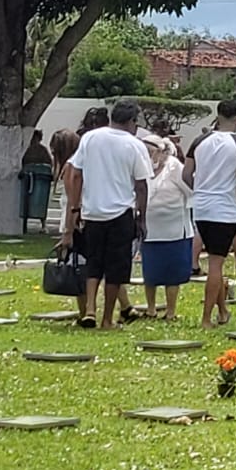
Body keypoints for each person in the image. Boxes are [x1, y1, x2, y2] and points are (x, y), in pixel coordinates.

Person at [61, 99, 152, 330]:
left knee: (94, 264)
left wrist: (76, 206)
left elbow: (76, 174)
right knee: (115, 270)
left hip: (92, 212)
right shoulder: (134, 144)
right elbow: (141, 185)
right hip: (120, 212)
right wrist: (142, 216)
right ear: (132, 121)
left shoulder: (91, 138)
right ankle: (107, 319)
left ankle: (90, 309)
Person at [184, 99, 236, 329]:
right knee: (216, 265)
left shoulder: (199, 141)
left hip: (201, 207)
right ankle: (206, 319)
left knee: (216, 261)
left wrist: (200, 190)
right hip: (223, 209)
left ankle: (223, 311)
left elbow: (187, 174)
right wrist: (235, 194)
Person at [140, 135, 193, 320]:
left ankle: (171, 311)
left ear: (162, 152)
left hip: (175, 230)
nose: (148, 156)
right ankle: (151, 309)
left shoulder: (175, 167)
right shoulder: (142, 168)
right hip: (150, 230)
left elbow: (190, 191)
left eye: (151, 152)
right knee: (151, 272)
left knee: (173, 273)